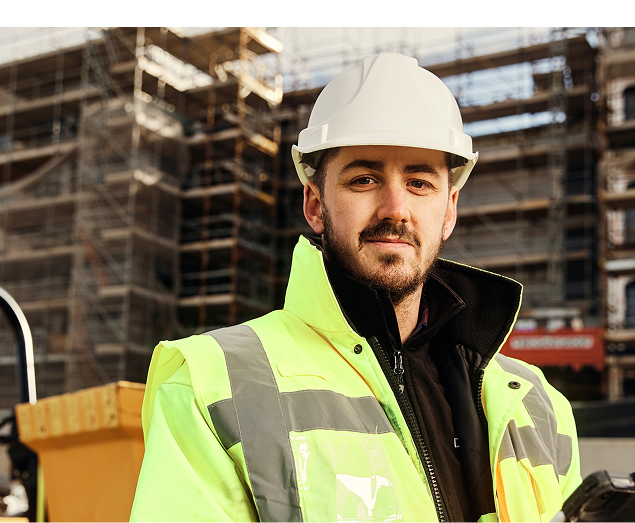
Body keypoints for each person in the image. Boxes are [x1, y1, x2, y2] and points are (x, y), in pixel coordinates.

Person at [131, 52, 580, 522]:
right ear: (315, 204)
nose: (395, 208)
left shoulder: (537, 405)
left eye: (419, 182)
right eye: (364, 179)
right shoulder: (210, 383)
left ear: (448, 211)